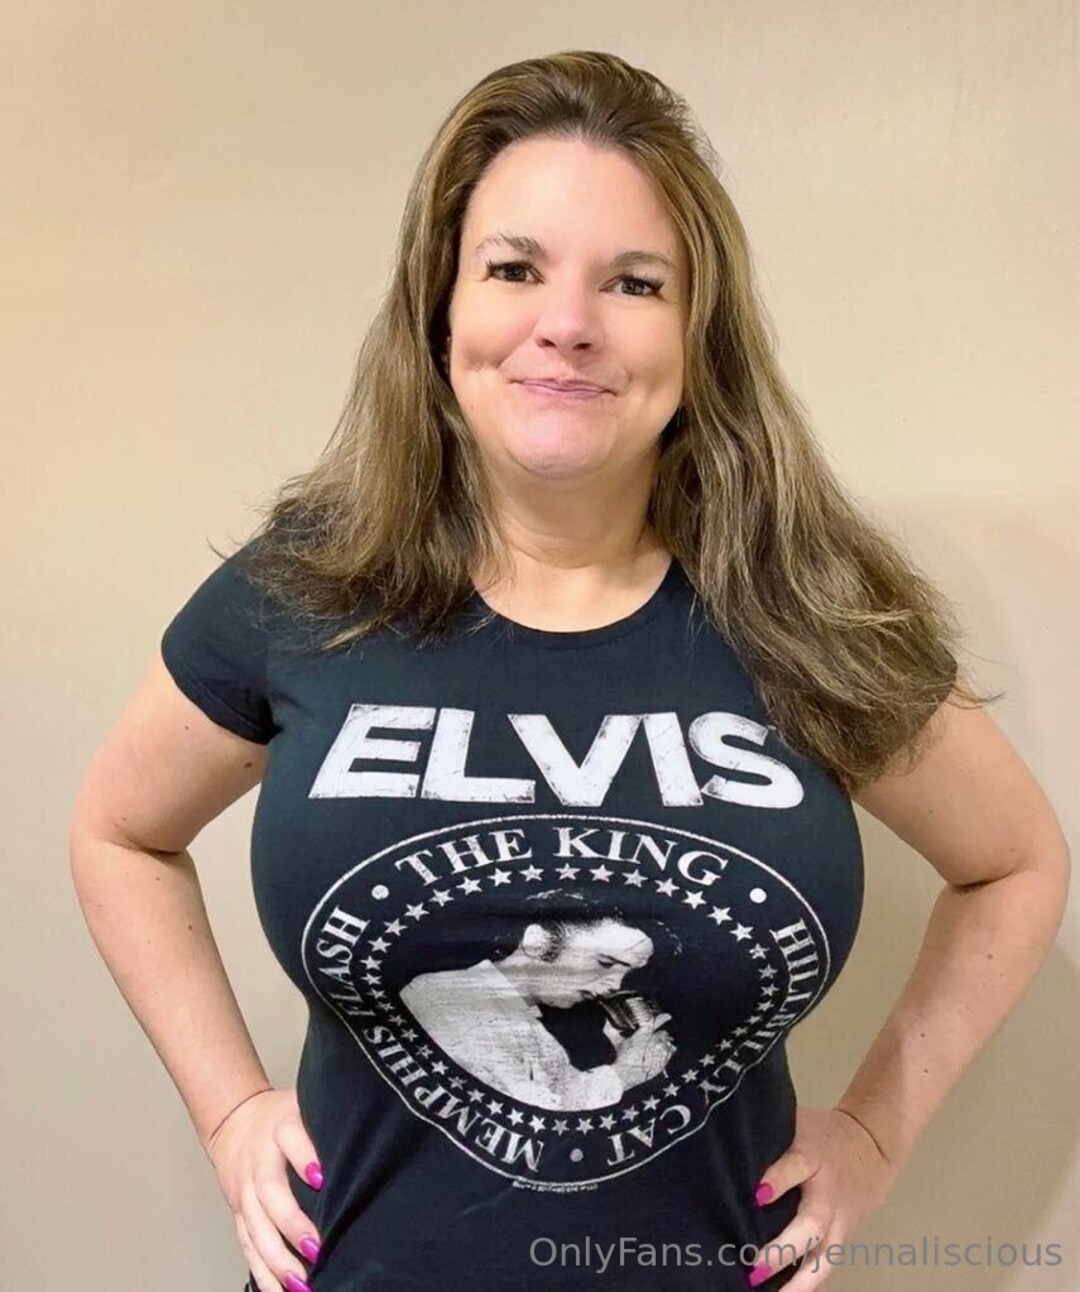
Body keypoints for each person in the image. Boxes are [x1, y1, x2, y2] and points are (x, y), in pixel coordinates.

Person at [68, 49, 1070, 1292]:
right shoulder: (309, 587)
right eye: (514, 269)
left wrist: (873, 1131)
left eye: (633, 282)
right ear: (441, 310)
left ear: (697, 331)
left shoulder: (810, 604)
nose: (569, 323)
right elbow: (118, 831)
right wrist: (228, 1110)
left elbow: (1015, 862)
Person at [399, 904, 675, 1110]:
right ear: (538, 942)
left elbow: (563, 1095)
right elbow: (532, 1117)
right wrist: (625, 1073)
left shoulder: (528, 1024)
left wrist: (622, 1053)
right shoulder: (447, 997)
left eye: (627, 973)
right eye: (605, 962)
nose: (616, 984)